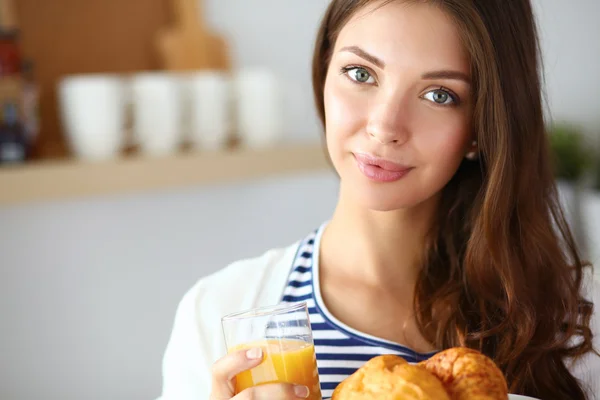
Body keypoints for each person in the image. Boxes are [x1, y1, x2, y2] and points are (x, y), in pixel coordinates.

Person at [158, 0, 600, 399]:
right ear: (324, 74)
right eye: (361, 73)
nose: (385, 125)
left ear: (482, 128)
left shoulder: (577, 320)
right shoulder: (223, 310)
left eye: (439, 95)